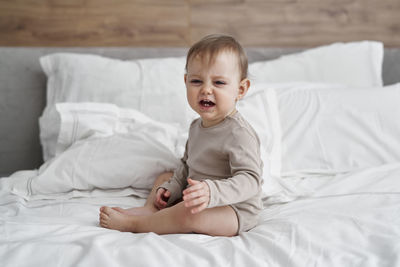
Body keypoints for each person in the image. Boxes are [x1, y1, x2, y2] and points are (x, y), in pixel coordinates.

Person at [99, 34, 263, 236]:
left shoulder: (239, 134)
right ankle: (152, 208)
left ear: (240, 89)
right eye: (196, 81)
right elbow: (187, 165)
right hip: (199, 196)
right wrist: (172, 188)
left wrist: (212, 192)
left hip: (234, 209)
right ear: (186, 82)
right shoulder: (197, 127)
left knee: (189, 213)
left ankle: (135, 225)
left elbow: (250, 180)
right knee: (166, 176)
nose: (206, 90)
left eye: (219, 82)